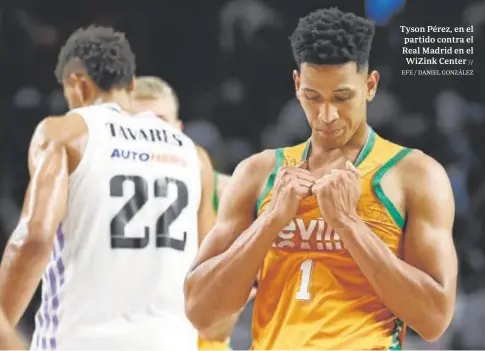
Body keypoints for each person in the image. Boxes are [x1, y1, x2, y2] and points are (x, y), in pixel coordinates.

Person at [183, 7, 458, 350]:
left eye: (342, 97)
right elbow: (201, 311)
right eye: (312, 97)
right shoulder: (259, 172)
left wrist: (348, 223)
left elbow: (433, 319)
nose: (326, 115)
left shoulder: (414, 174)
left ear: (370, 85)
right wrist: (270, 220)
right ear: (298, 84)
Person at [0, 26, 216, 350]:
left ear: (76, 83)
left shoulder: (65, 132)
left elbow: (34, 238)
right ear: (130, 84)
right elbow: (208, 269)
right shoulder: (193, 155)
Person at [132, 76, 253, 351]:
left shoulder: (224, 190)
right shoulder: (105, 190)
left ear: (178, 129)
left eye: (160, 122)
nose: (150, 133)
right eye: (138, 124)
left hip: (199, 337)